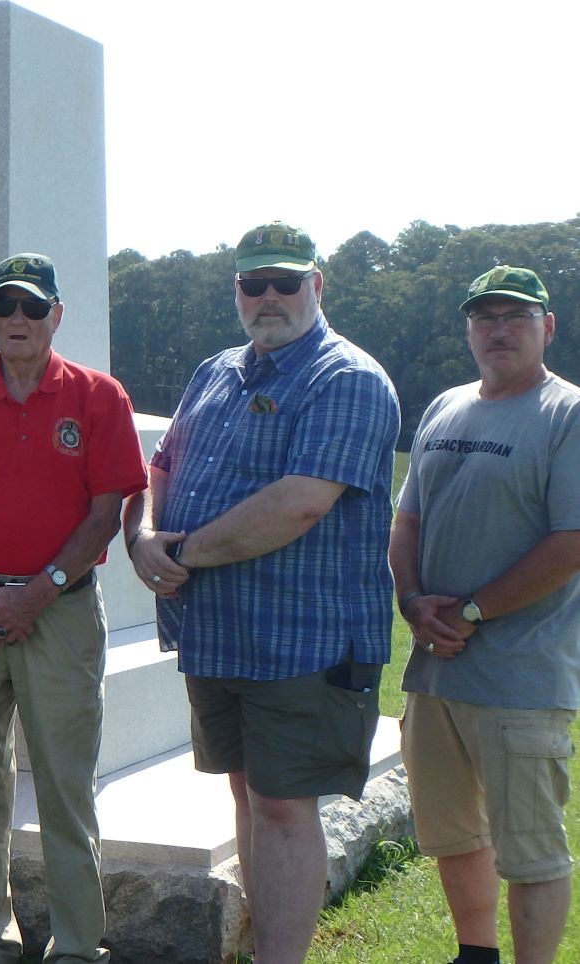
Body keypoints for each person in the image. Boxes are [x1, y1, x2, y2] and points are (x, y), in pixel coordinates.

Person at [124, 221, 399, 964]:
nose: (268, 297)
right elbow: (160, 467)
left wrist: (181, 555)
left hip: (300, 634)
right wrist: (144, 536)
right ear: (236, 292)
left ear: (317, 285)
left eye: (285, 281)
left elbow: (300, 502)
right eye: (253, 283)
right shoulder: (215, 370)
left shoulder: (345, 378)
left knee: (282, 804)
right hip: (215, 629)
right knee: (245, 795)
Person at [0, 254, 146, 964]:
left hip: (61, 612)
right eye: (5, 307)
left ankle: (76, 946)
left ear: (55, 316)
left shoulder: (98, 398)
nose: (18, 320)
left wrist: (36, 591)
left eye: (32, 308)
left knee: (64, 786)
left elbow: (108, 510)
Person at [391, 265, 580, 964]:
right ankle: (474, 955)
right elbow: (406, 519)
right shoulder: (443, 407)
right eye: (484, 317)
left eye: (516, 316)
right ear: (468, 330)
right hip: (434, 671)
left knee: (529, 848)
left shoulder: (566, 414)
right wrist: (411, 603)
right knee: (451, 835)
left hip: (519, 675)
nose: (498, 329)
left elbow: (570, 542)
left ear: (546, 327)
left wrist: (471, 611)